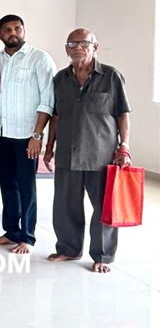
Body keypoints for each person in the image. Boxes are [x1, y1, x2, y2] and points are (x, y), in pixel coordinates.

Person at [45, 29, 131, 273]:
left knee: (103, 207)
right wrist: (49, 147)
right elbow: (56, 116)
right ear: (66, 49)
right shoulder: (60, 79)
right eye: (72, 44)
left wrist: (124, 147)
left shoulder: (111, 76)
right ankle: (68, 248)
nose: (78, 48)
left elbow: (122, 113)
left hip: (100, 154)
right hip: (67, 153)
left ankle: (102, 255)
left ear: (95, 46)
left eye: (83, 43)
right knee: (65, 205)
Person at [0, 14, 56, 254]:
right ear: (0, 35)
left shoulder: (39, 58)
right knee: (8, 185)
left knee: (27, 187)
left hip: (28, 136)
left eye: (17, 28)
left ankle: (27, 236)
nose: (13, 33)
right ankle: (11, 232)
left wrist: (37, 136)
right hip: (2, 133)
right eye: (7, 30)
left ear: (24, 31)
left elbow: (48, 99)